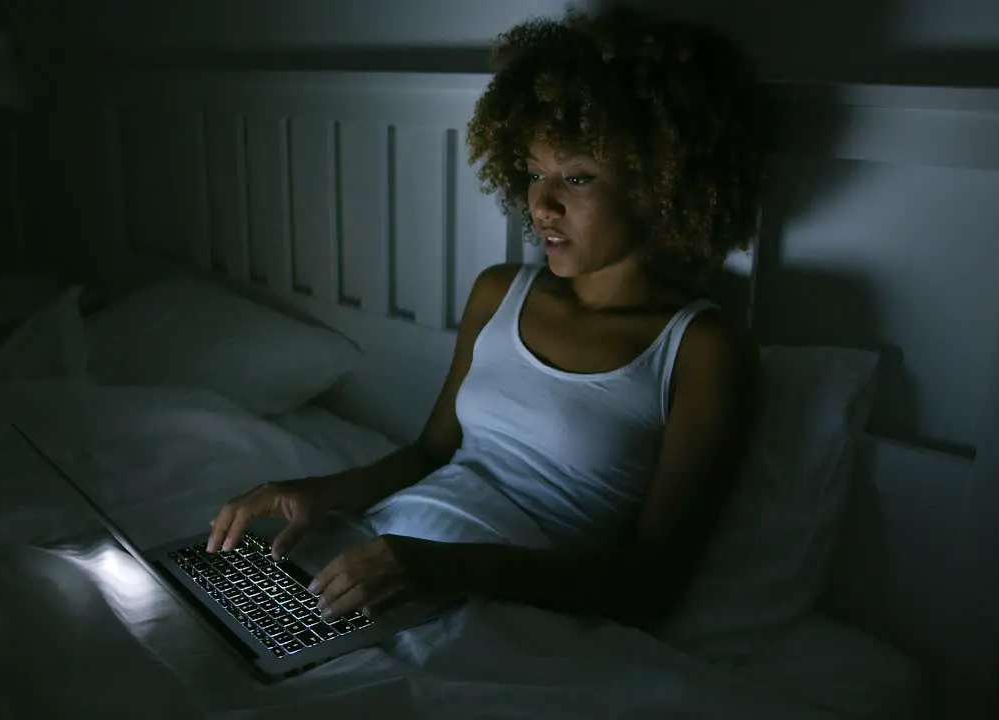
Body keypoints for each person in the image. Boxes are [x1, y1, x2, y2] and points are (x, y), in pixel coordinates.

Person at [207, 5, 766, 630]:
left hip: (497, 605)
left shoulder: (698, 347)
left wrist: (451, 568)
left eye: (577, 178)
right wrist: (318, 492)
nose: (543, 204)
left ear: (663, 184)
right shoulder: (500, 292)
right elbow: (430, 452)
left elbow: (653, 586)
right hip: (383, 557)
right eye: (533, 173)